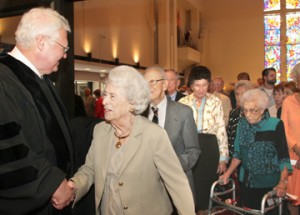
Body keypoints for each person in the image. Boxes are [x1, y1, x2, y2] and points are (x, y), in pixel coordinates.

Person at [68, 65, 195, 215]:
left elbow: (177, 184)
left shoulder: (154, 135)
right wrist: (73, 185)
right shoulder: (101, 130)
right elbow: (90, 169)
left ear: (132, 103)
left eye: (112, 96)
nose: (104, 102)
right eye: (105, 94)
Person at [0, 7, 74, 214]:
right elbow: (8, 151)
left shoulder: (41, 80)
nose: (65, 55)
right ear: (41, 42)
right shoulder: (3, 80)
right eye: (64, 48)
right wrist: (51, 183)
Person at [220, 89, 292, 214]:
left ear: (263, 110)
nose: (247, 114)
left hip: (270, 183)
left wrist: (282, 182)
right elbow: (237, 154)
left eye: (252, 110)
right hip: (247, 182)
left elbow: (284, 157)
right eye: (245, 110)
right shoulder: (242, 124)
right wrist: (227, 174)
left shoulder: (275, 124)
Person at [143, 66, 200, 201]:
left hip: (174, 183)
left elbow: (193, 151)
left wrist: (168, 167)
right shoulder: (140, 113)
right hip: (146, 186)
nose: (148, 86)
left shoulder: (183, 112)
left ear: (165, 84)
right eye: (145, 83)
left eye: (153, 81)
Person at [179, 65, 229, 215]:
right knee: (189, 185)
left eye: (204, 85)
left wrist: (223, 158)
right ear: (191, 85)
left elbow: (221, 129)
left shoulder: (216, 102)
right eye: (197, 85)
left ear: (209, 84)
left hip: (209, 146)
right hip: (189, 145)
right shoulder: (183, 103)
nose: (201, 89)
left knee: (206, 187)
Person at [281, 66, 300, 215]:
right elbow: (284, 129)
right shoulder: (288, 101)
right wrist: (296, 147)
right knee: (293, 200)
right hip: (293, 157)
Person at [227, 80, 254, 159]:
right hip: (234, 155)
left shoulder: (257, 112)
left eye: (242, 94)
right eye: (237, 94)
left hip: (251, 155)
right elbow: (230, 136)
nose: (239, 97)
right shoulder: (233, 112)